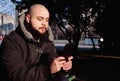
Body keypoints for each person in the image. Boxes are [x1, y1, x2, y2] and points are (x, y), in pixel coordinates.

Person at [0, 4, 73, 81]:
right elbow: (16, 75)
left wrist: (63, 67)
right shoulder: (11, 41)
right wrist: (48, 71)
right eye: (40, 19)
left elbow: (53, 68)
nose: (44, 23)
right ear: (28, 18)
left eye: (47, 20)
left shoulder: (47, 41)